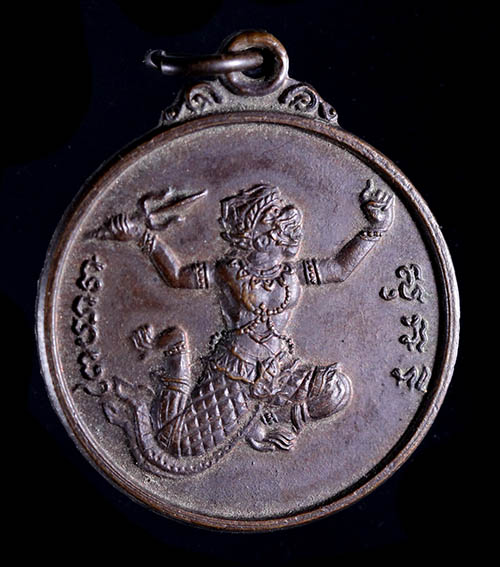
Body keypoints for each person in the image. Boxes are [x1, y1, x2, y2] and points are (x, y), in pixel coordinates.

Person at [106, 181, 394, 458]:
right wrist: (142, 236)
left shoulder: (292, 273)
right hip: (234, 372)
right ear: (256, 235)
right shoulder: (226, 271)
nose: (288, 218)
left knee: (337, 390)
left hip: (280, 368)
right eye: (274, 215)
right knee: (177, 440)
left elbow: (339, 269)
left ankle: (268, 417)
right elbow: (177, 276)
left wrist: (375, 228)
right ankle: (194, 371)